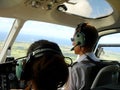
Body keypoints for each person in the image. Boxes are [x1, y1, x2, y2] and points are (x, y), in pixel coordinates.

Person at [65, 22, 100, 90]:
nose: (72, 43)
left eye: (73, 39)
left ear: (80, 41)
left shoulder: (75, 69)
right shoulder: (104, 66)